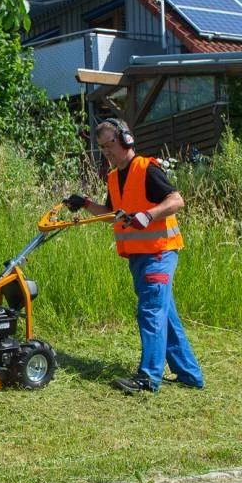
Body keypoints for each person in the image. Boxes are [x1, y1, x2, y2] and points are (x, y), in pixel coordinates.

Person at [64, 119, 204, 394]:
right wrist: (85, 203)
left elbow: (177, 201)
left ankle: (147, 379)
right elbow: (112, 214)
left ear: (126, 139)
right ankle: (189, 374)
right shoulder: (114, 178)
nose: (107, 152)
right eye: (102, 148)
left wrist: (149, 214)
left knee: (150, 313)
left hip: (160, 253)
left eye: (110, 145)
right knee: (165, 314)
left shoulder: (147, 169)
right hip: (138, 256)